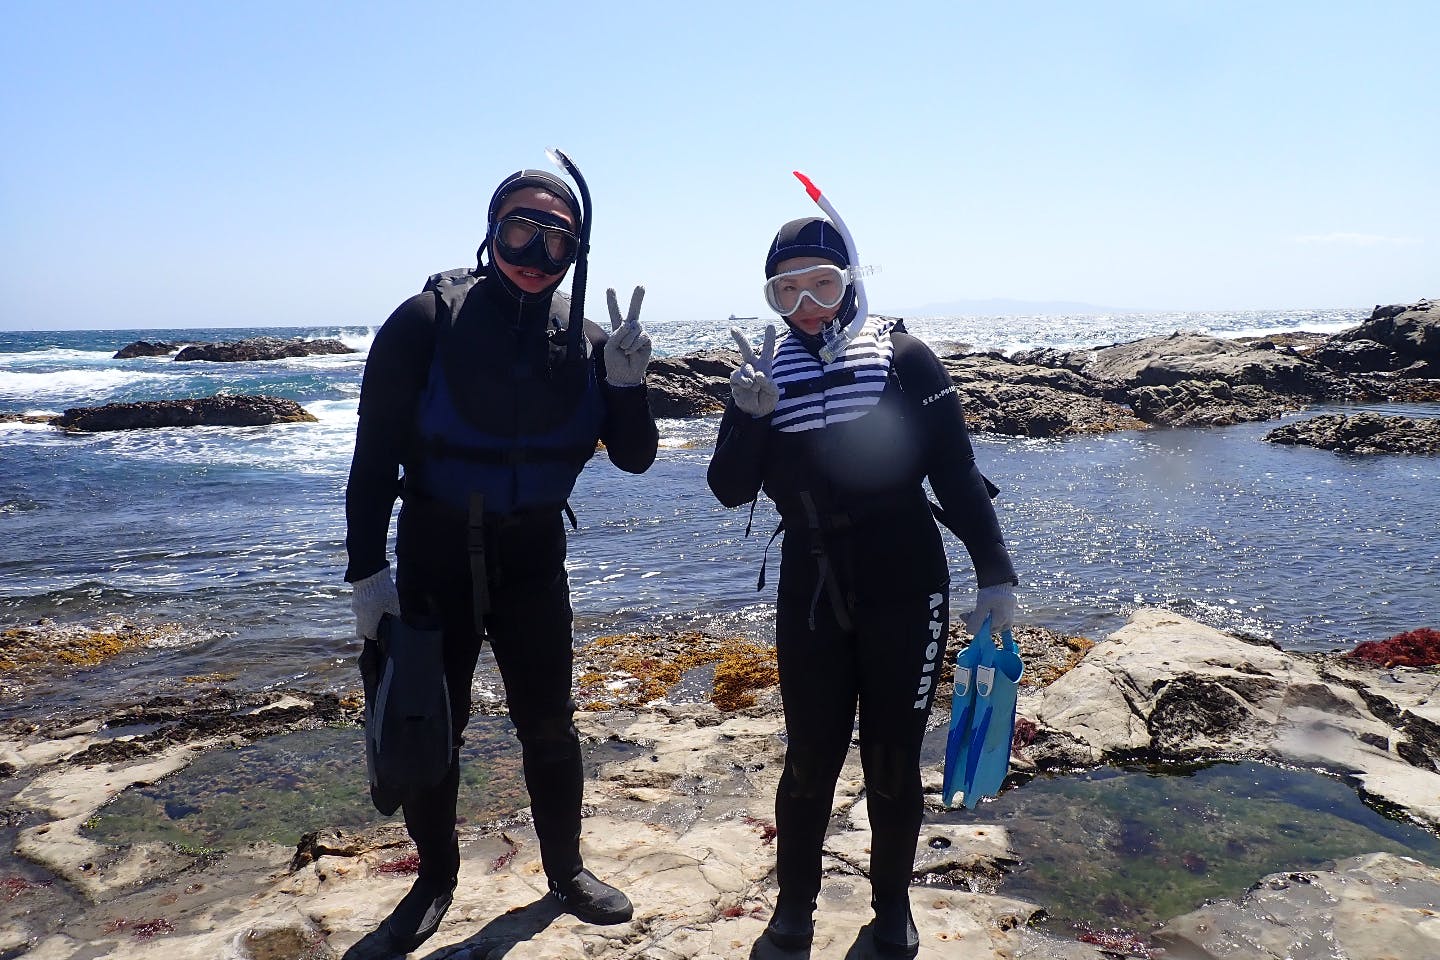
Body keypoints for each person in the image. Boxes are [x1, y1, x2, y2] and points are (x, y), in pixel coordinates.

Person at [343, 159, 658, 958]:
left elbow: (634, 456)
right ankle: (434, 880)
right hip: (434, 552)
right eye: (520, 229)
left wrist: (627, 384)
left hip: (532, 558)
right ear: (490, 231)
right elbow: (374, 456)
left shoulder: (584, 343)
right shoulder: (425, 321)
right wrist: (365, 571)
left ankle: (566, 872)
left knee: (549, 723)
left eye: (557, 241)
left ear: (577, 255)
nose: (534, 252)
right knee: (428, 726)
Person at [707, 216, 1018, 956]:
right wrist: (748, 420)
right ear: (772, 297)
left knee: (891, 760)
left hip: (907, 581)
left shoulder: (907, 360)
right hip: (810, 586)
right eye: (788, 290)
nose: (808, 303)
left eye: (823, 283)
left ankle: (890, 908)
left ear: (852, 282)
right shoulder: (764, 374)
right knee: (809, 757)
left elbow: (957, 474)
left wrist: (996, 575)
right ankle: (793, 912)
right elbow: (727, 489)